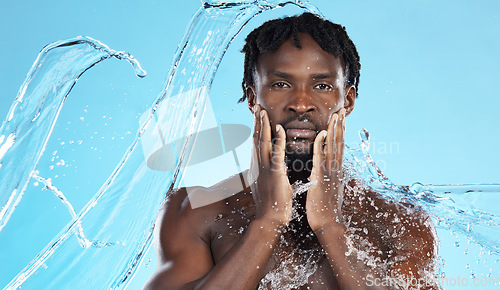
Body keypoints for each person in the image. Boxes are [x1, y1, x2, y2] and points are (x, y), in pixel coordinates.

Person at [144, 13, 438, 289]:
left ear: (347, 100)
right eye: (281, 84)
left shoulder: (400, 222)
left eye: (322, 85)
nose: (300, 103)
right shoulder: (195, 209)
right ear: (252, 98)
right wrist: (267, 222)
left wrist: (330, 225)